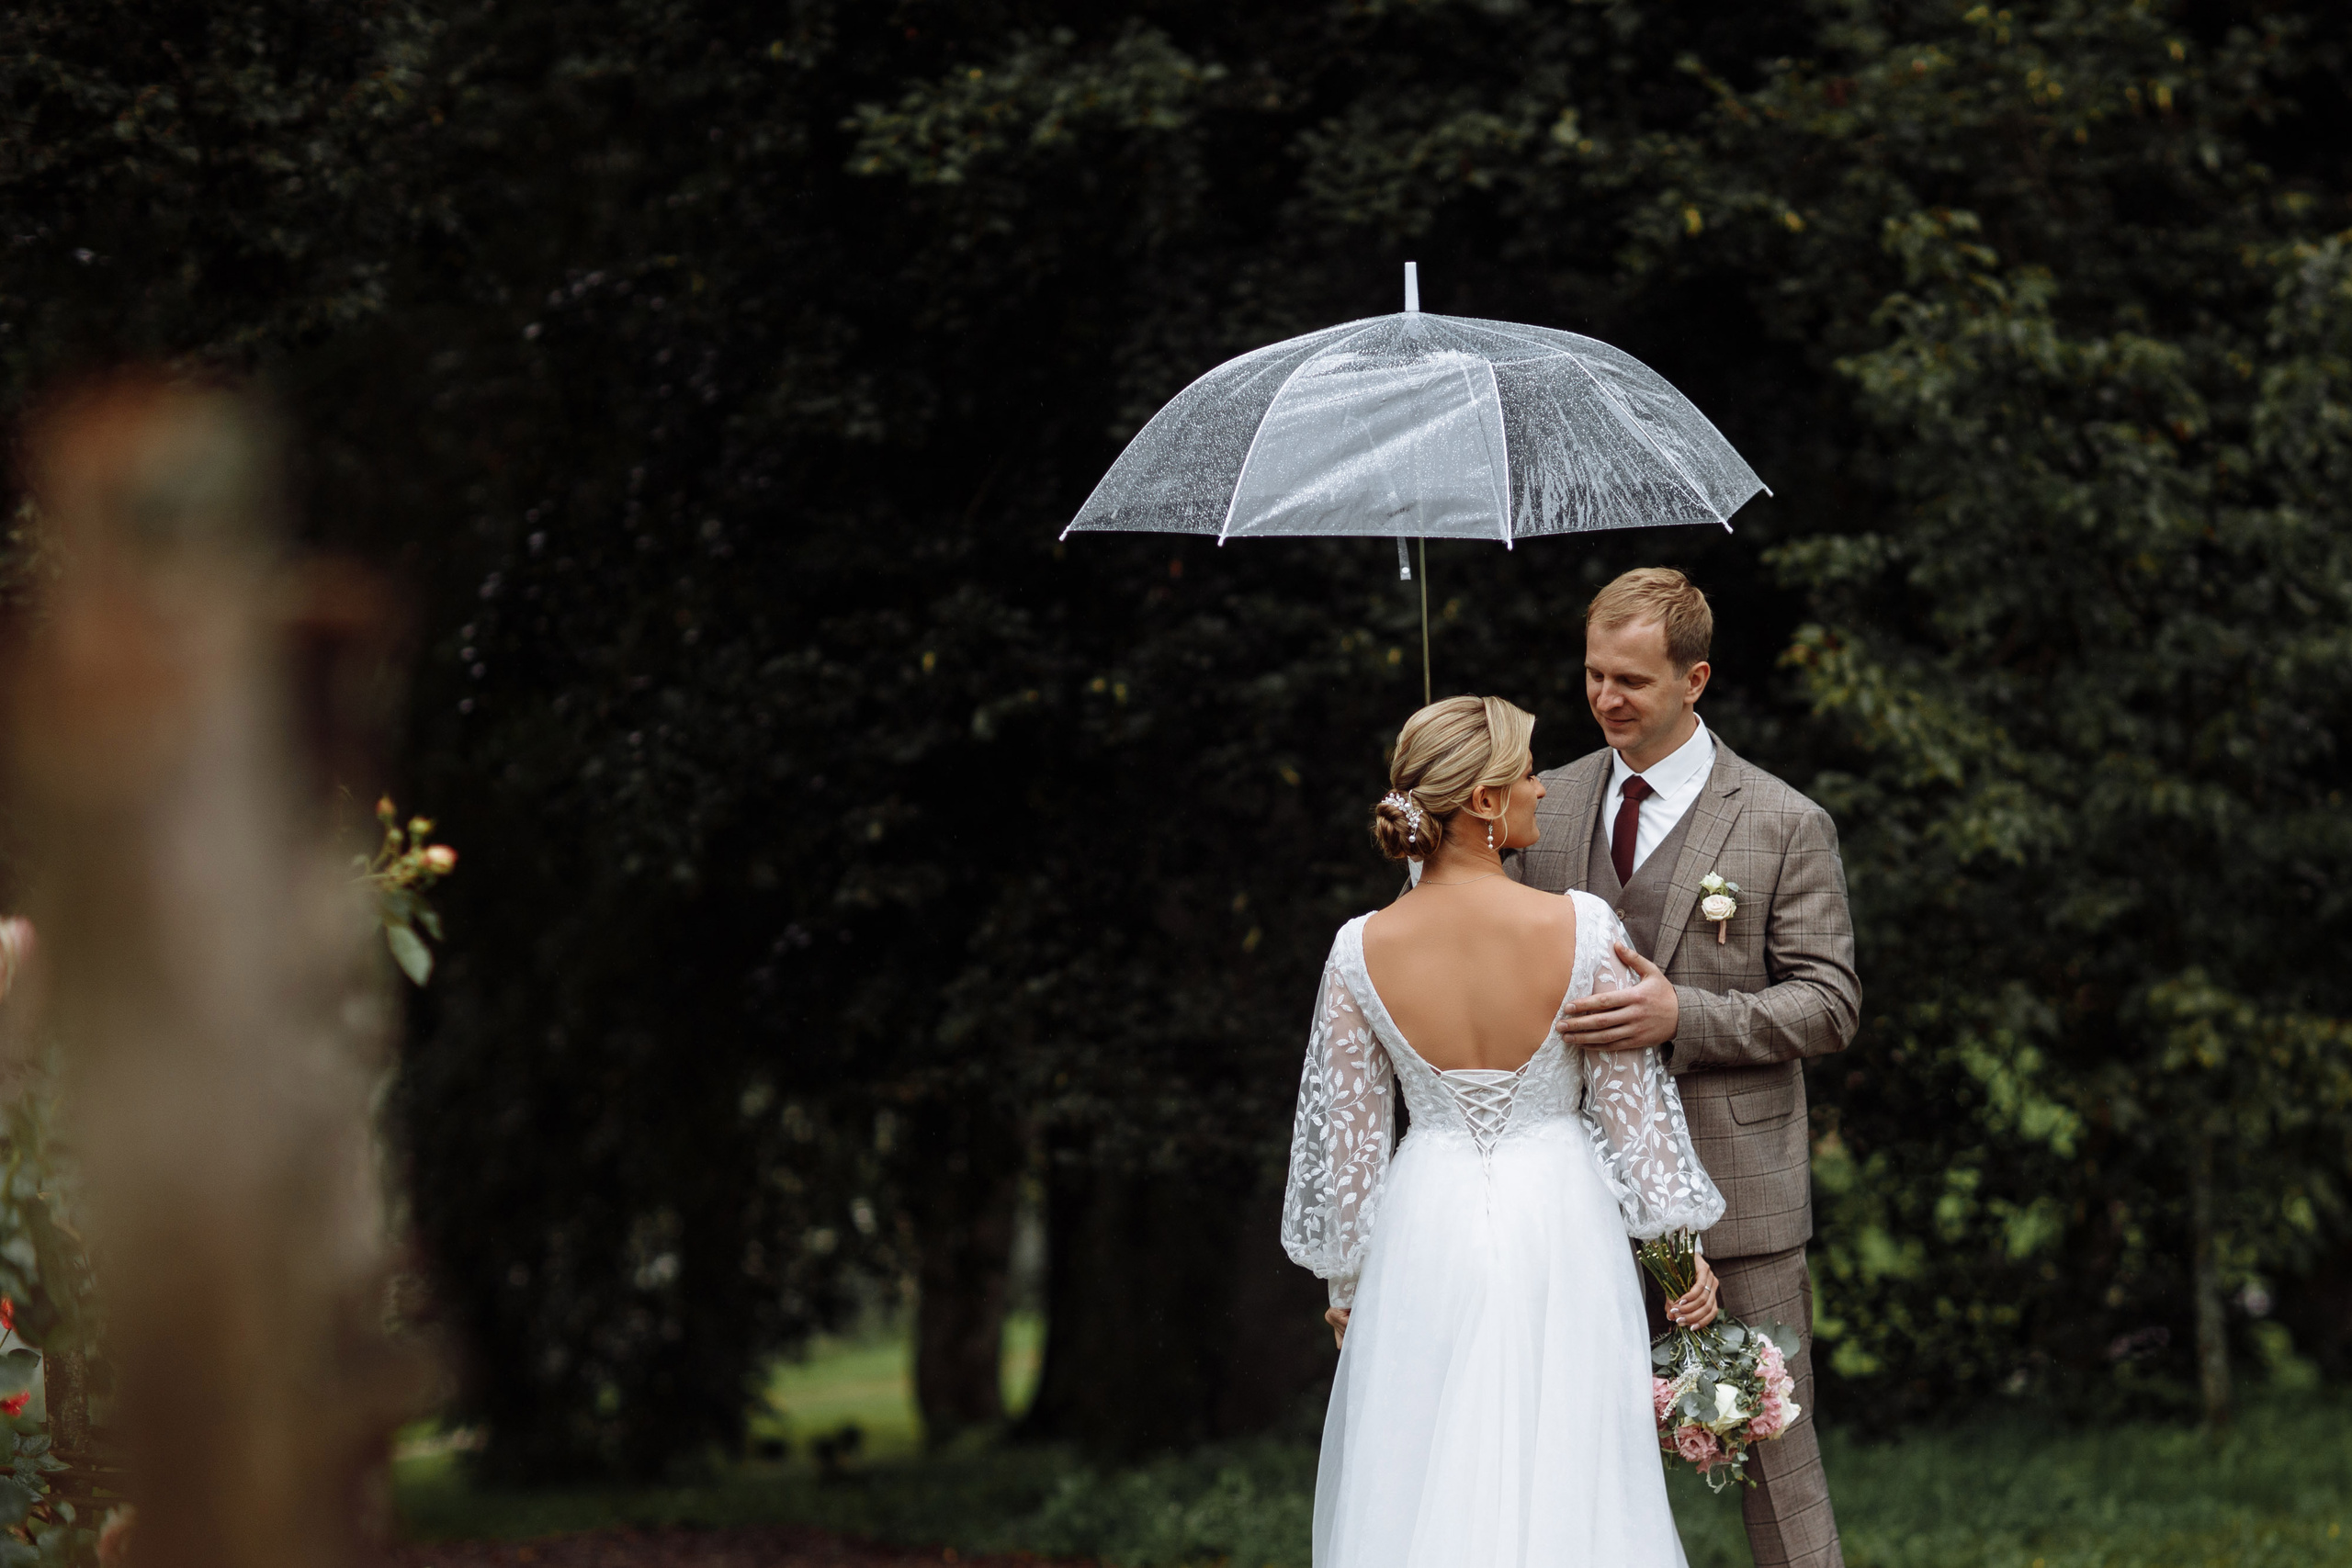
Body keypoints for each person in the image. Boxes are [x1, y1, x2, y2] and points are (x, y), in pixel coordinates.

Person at [1282, 694, 1727, 1568]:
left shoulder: (1356, 948)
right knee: (1575, 1470)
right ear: (1483, 803)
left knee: (1420, 1471)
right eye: (1525, 772)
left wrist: (1347, 1280)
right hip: (1562, 1222)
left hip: (1424, 1229)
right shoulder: (1583, 926)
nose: (1541, 789)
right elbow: (1630, 1112)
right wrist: (1681, 1252)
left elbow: (1351, 1140)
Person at [1521, 568, 1861, 1568]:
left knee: (1779, 1480)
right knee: (1564, 1462)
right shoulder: (1541, 804)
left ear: (1695, 678)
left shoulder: (1780, 821)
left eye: (1630, 680)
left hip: (1736, 1203)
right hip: (1566, 1192)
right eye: (1591, 675)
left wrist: (1684, 1016)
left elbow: (1830, 1002)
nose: (1604, 699)